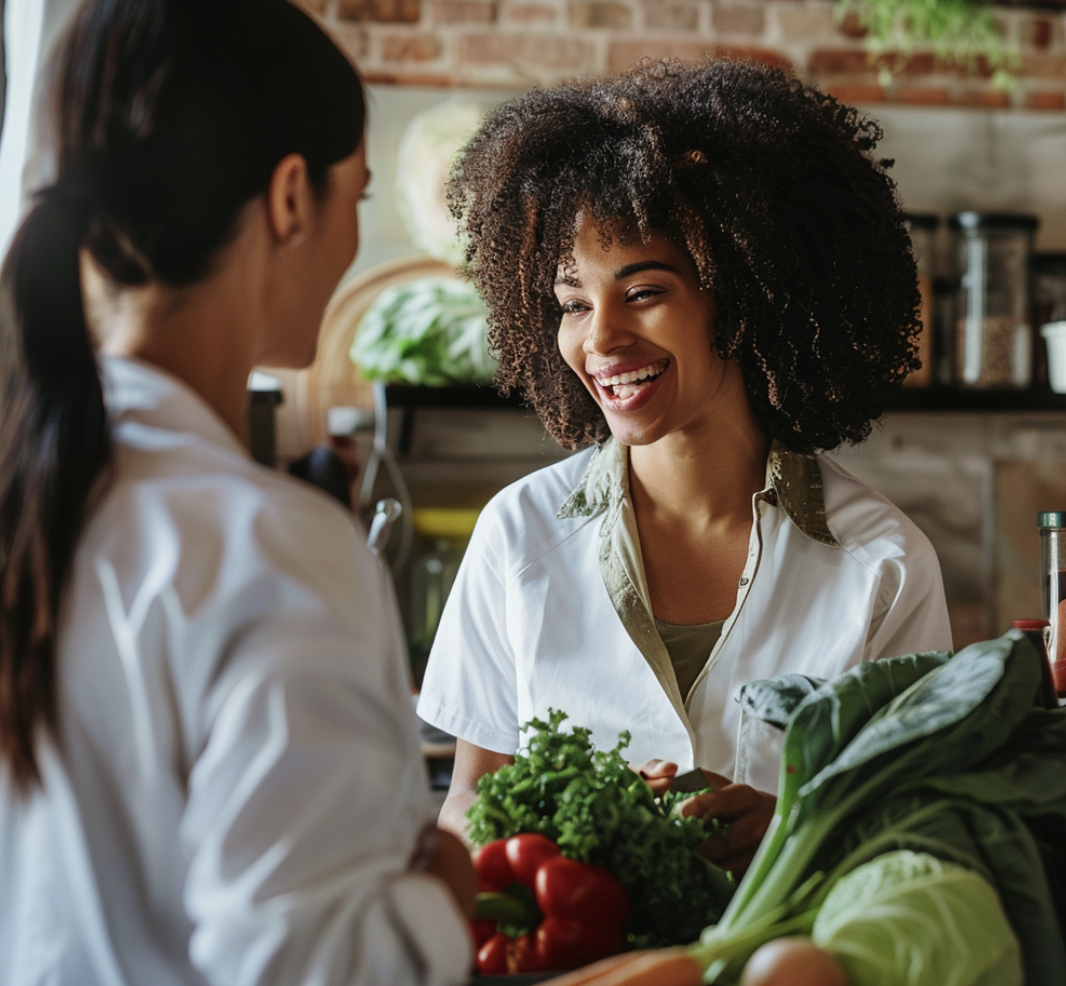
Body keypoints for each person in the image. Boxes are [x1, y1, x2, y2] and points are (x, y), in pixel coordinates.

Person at [0, 2, 474, 984]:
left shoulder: (36, 489)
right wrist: (437, 895)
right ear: (292, 197)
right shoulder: (269, 545)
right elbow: (306, 966)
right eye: (360, 195)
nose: (353, 234)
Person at [418, 58, 953, 874]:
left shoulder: (883, 563)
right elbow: (469, 806)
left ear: (743, 298)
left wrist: (787, 828)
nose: (598, 341)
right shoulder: (517, 536)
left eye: (643, 292)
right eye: (572, 302)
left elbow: (919, 839)